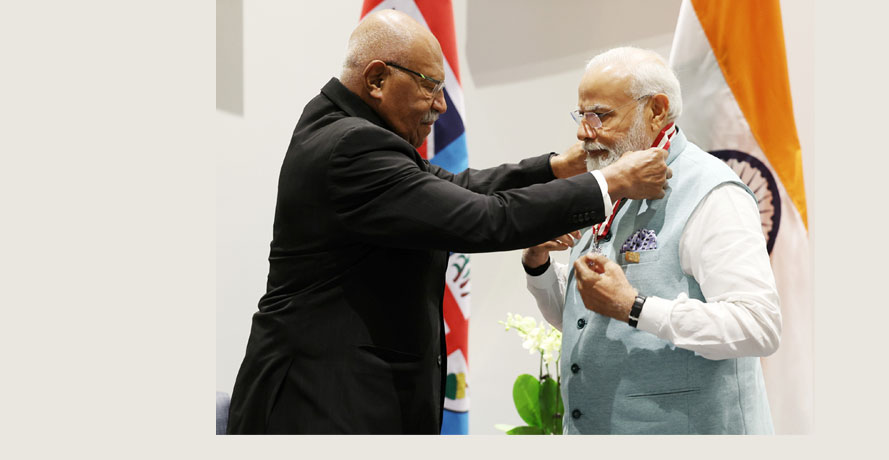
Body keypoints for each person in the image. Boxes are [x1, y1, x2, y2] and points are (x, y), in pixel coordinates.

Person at [227, 11, 672, 434]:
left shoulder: (343, 126)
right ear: (377, 79)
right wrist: (607, 183)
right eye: (430, 86)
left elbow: (459, 185)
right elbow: (483, 218)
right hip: (321, 403)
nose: (441, 105)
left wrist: (555, 166)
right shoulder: (352, 147)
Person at [522, 47, 782, 434]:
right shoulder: (606, 181)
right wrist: (538, 262)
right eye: (582, 115)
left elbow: (758, 325)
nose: (582, 132)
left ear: (657, 110)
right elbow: (582, 319)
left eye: (601, 115)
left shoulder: (711, 192)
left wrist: (634, 306)